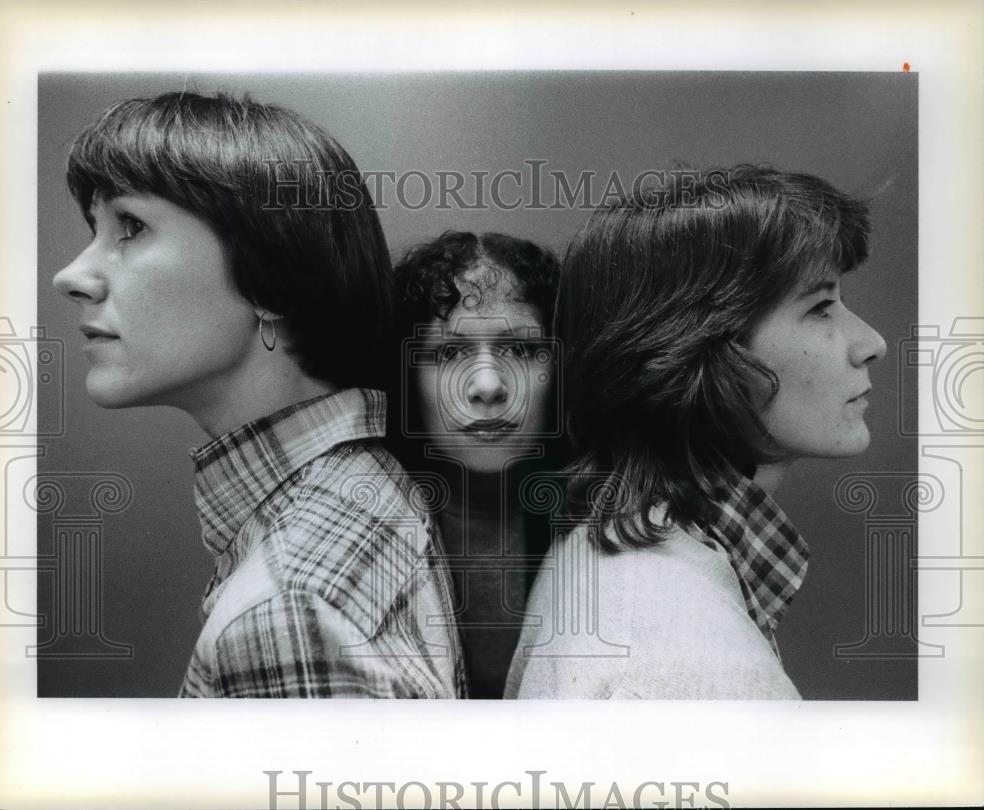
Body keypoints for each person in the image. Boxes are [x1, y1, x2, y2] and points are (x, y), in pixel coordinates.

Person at [52, 91, 464, 698]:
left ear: (269, 278)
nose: (73, 277)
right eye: (96, 229)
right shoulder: (357, 486)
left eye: (130, 226)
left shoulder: (287, 609)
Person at [505, 165, 887, 699]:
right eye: (820, 307)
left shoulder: (626, 554)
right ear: (696, 349)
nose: (871, 342)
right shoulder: (680, 640)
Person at [391, 231, 561, 698]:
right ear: (407, 380)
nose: (487, 385)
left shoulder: (614, 524)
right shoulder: (369, 534)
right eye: (449, 353)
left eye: (520, 351)